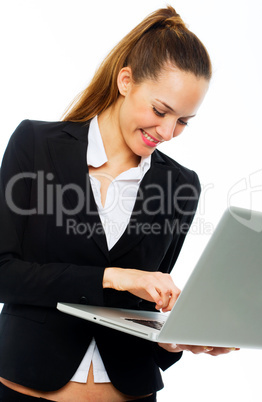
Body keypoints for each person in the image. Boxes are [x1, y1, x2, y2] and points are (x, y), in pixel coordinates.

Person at [0, 6, 238, 402]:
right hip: (25, 390)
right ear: (125, 80)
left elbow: (144, 311)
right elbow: (4, 273)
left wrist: (174, 341)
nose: (167, 132)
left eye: (183, 121)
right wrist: (113, 276)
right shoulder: (36, 145)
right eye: (161, 110)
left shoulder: (181, 185)